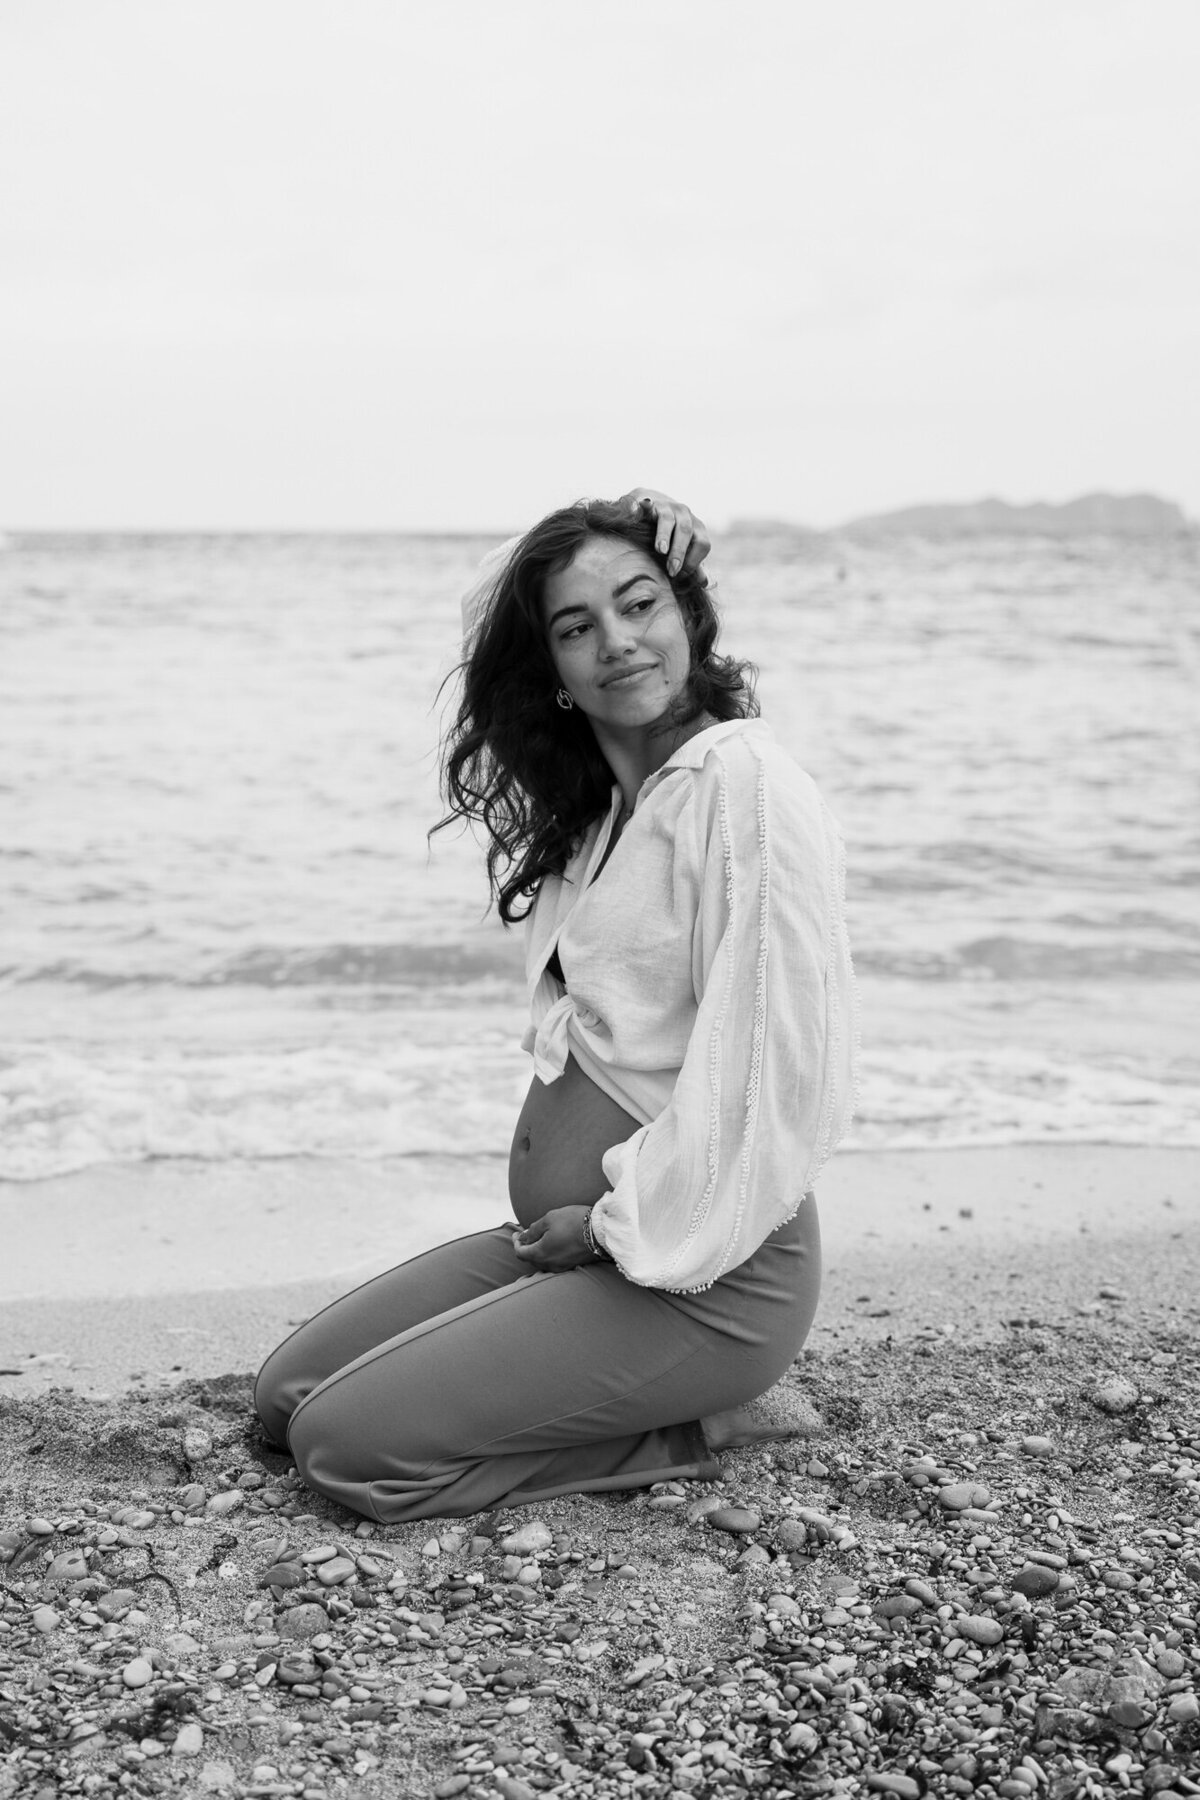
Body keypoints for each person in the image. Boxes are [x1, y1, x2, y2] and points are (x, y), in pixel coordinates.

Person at [254, 488, 858, 1523]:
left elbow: (772, 1078)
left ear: (689, 616)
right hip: (586, 1246)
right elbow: (491, 604)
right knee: (284, 1401)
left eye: (642, 604)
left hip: (700, 1271)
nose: (619, 643)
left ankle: (696, 1425)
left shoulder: (742, 785)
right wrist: (624, 506)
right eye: (579, 629)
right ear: (556, 674)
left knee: (348, 1452)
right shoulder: (607, 812)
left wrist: (614, 1227)